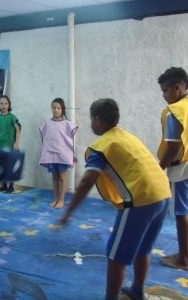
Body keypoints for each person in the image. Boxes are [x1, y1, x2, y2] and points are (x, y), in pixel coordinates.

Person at [59, 99, 170, 300]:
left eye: (91, 119)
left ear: (98, 120)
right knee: (142, 248)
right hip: (163, 194)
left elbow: (86, 183)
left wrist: (68, 212)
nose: (91, 123)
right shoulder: (126, 136)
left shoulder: (101, 146)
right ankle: (137, 290)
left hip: (141, 200)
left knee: (115, 256)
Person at [157, 67, 188, 270]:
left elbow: (173, 146)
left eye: (165, 91)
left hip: (182, 168)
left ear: (177, 88)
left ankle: (183, 258)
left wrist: (159, 168)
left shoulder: (174, 112)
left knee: (181, 212)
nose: (163, 96)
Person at [39, 98, 77, 208]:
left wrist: (73, 156)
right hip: (51, 155)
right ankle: (56, 198)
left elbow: (71, 141)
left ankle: (61, 200)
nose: (56, 110)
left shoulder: (67, 124)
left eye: (58, 108)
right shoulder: (47, 123)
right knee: (54, 177)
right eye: (54, 108)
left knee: (62, 177)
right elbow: (45, 139)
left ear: (62, 109)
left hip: (63, 155)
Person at [0, 95, 21, 193]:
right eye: (1, 103)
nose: (3, 105)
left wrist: (16, 143)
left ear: (9, 105)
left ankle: (11, 186)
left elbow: (17, 129)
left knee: (9, 165)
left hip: (8, 145)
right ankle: (4, 185)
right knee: (1, 165)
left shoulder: (12, 117)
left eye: (6, 103)